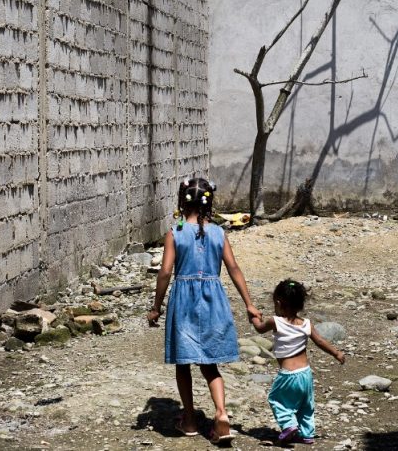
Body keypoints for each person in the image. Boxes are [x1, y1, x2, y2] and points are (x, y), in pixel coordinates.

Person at [148, 178, 261, 443]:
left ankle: (188, 420)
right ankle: (221, 414)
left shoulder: (174, 233)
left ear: (182, 201)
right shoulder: (219, 233)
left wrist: (156, 306)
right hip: (213, 300)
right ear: (209, 202)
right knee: (210, 365)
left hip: (184, 302)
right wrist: (249, 303)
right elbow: (234, 269)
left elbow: (165, 272)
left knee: (183, 363)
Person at [250, 279, 345, 445]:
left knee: (276, 399)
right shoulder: (306, 324)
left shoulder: (275, 321)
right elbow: (321, 341)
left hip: (288, 375)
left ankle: (288, 425)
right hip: (305, 374)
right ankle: (307, 433)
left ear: (278, 303)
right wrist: (336, 353)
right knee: (305, 405)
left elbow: (259, 328)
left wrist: (253, 317)